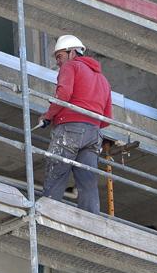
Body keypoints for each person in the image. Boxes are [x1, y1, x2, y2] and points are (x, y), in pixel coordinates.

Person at [38, 34, 112, 214]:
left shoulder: (71, 67)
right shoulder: (103, 79)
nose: (58, 62)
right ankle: (90, 220)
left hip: (70, 128)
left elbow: (63, 95)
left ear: (72, 53)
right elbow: (107, 115)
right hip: (94, 134)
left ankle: (48, 214)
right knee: (87, 181)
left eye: (59, 57)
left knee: (56, 171)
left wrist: (48, 116)